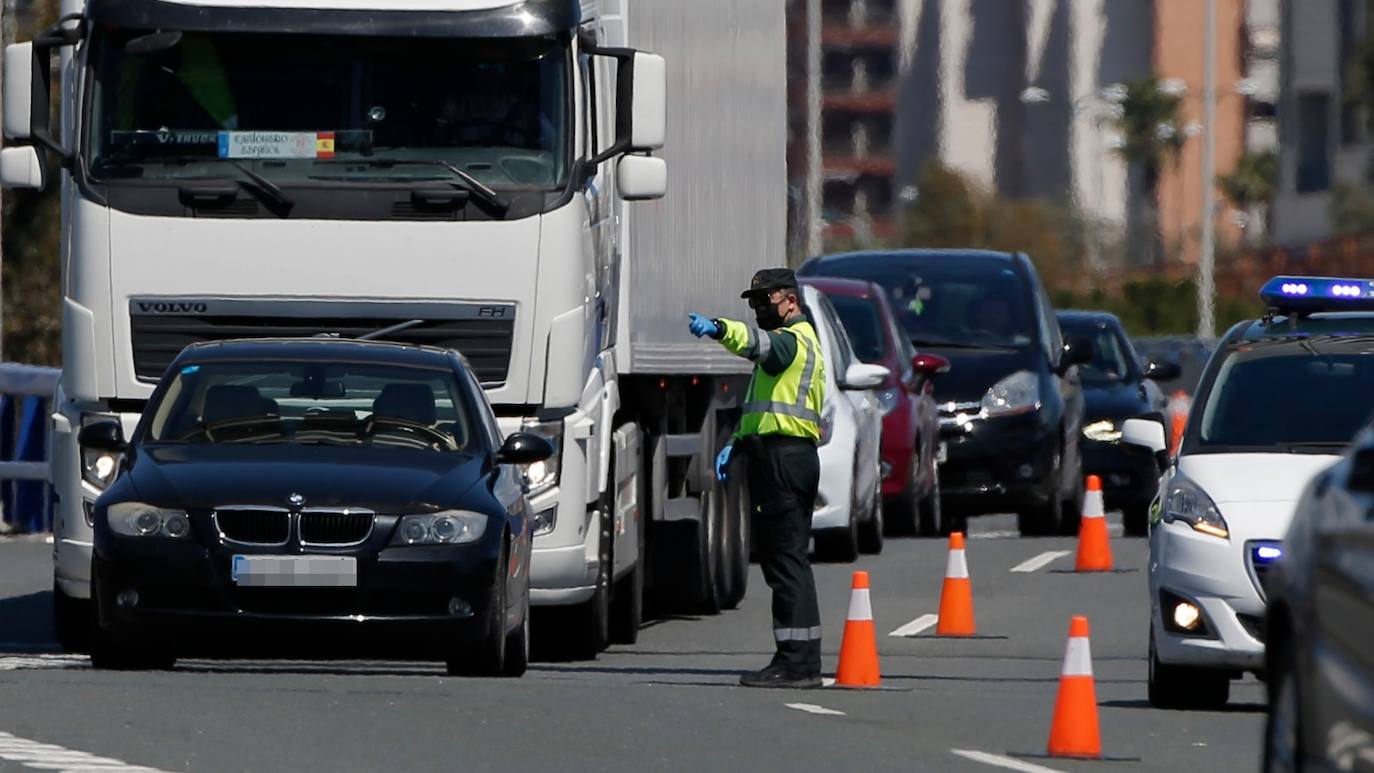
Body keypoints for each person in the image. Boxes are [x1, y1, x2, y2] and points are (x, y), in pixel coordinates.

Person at [687, 268, 826, 689]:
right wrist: (741, 442)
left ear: (790, 300)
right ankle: (797, 659)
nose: (759, 309)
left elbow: (759, 345)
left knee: (786, 562)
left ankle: (797, 664)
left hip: (785, 460)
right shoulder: (794, 345)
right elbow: (770, 410)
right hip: (779, 455)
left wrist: (719, 329)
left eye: (765, 301)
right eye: (753, 303)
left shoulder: (792, 341)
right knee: (786, 561)